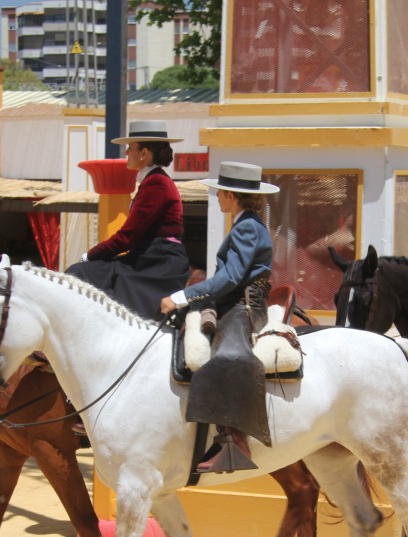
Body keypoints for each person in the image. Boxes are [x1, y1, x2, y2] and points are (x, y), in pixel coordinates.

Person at [159, 161, 280, 473]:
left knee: (227, 354)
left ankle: (235, 442)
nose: (215, 197)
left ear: (231, 195)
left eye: (219, 193)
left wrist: (181, 296)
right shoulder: (244, 223)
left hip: (244, 305)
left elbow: (231, 277)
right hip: (231, 300)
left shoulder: (249, 227)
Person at [65, 120, 190, 319]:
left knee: (79, 272)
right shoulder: (154, 181)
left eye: (130, 148)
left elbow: (127, 237)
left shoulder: (156, 183)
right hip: (149, 256)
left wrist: (89, 256)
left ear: (144, 153)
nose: (126, 153)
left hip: (159, 261)